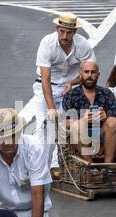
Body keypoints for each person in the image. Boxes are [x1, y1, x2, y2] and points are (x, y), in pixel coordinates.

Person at [26, 13, 94, 146]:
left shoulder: (83, 45)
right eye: (62, 31)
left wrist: (72, 82)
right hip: (46, 85)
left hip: (71, 87)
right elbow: (45, 78)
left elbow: (90, 73)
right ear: (57, 28)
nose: (64, 36)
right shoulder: (47, 43)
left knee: (64, 128)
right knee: (43, 128)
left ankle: (58, 164)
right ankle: (41, 167)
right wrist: (51, 109)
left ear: (75, 31)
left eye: (69, 33)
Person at [61, 59, 116, 163]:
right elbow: (64, 122)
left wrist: (104, 116)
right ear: (80, 74)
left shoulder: (107, 93)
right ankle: (90, 166)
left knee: (112, 121)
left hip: (102, 133)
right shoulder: (70, 96)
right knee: (77, 125)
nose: (89, 75)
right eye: (86, 72)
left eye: (93, 72)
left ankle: (107, 167)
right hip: (81, 136)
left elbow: (113, 119)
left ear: (98, 74)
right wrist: (83, 120)